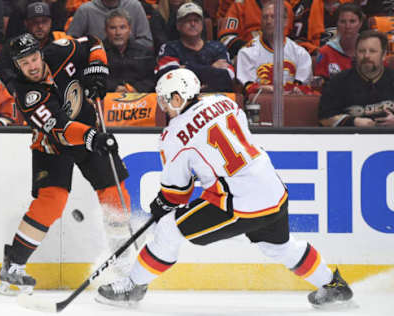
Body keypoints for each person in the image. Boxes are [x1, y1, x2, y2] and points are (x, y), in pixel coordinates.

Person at [95, 67, 354, 308]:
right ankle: (333, 286)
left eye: (166, 99)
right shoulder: (224, 101)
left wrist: (160, 205)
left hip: (239, 202)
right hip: (273, 190)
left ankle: (132, 286)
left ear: (178, 98)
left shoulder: (174, 134)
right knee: (279, 246)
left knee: (168, 227)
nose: (164, 106)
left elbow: (176, 193)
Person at [0, 33, 134, 295]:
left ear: (41, 53)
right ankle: (13, 266)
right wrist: (92, 137)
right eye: (24, 63)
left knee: (114, 193)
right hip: (53, 146)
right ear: (17, 66)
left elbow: (94, 40)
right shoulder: (27, 96)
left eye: (34, 58)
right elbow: (60, 129)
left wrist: (97, 69)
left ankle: (124, 259)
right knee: (52, 201)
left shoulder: (62, 50)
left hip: (89, 134)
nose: (32, 66)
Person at [236, 1, 314, 96]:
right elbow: (248, 89)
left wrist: (297, 91)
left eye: (273, 17)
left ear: (285, 22)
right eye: (265, 17)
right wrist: (261, 89)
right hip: (259, 106)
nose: (268, 21)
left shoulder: (300, 53)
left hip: (291, 105)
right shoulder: (246, 52)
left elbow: (304, 88)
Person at [319, 30, 394, 127]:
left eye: (372, 51)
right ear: (355, 54)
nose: (366, 56)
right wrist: (353, 122)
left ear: (383, 55)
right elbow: (324, 118)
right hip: (350, 138)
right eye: (362, 51)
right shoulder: (338, 81)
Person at [155, 2, 235, 92]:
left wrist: (185, 68)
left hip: (216, 98)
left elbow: (228, 75)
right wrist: (212, 69)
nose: (193, 24)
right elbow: (168, 75)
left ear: (202, 24)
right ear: (178, 26)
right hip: (182, 99)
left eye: (196, 20)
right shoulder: (169, 48)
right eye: (187, 20)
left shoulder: (218, 47)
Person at [0, 2, 72, 93]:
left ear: (51, 22)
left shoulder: (58, 43)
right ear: (26, 23)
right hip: (24, 93)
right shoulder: (13, 45)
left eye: (44, 21)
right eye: (35, 22)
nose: (40, 26)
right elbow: (2, 70)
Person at [103, 8, 156, 92]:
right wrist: (114, 88)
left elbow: (152, 79)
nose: (118, 33)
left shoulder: (144, 52)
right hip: (106, 99)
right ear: (106, 30)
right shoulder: (97, 53)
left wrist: (135, 89)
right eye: (113, 28)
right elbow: (92, 78)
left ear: (129, 29)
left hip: (140, 99)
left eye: (122, 27)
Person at [217, 0, 294, 57]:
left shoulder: (286, 7)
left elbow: (293, 42)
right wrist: (249, 49)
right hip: (246, 57)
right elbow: (225, 38)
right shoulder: (240, 4)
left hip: (281, 59)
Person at [66, 0, 153, 49]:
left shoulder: (135, 6)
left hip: (130, 64)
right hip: (95, 63)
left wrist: (124, 49)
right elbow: (70, 45)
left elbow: (147, 42)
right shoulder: (85, 10)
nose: (118, 32)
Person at [313, 3, 365, 83]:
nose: (348, 26)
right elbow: (318, 87)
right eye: (343, 21)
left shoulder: (369, 50)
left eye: (352, 21)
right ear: (337, 24)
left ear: (360, 23)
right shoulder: (325, 52)